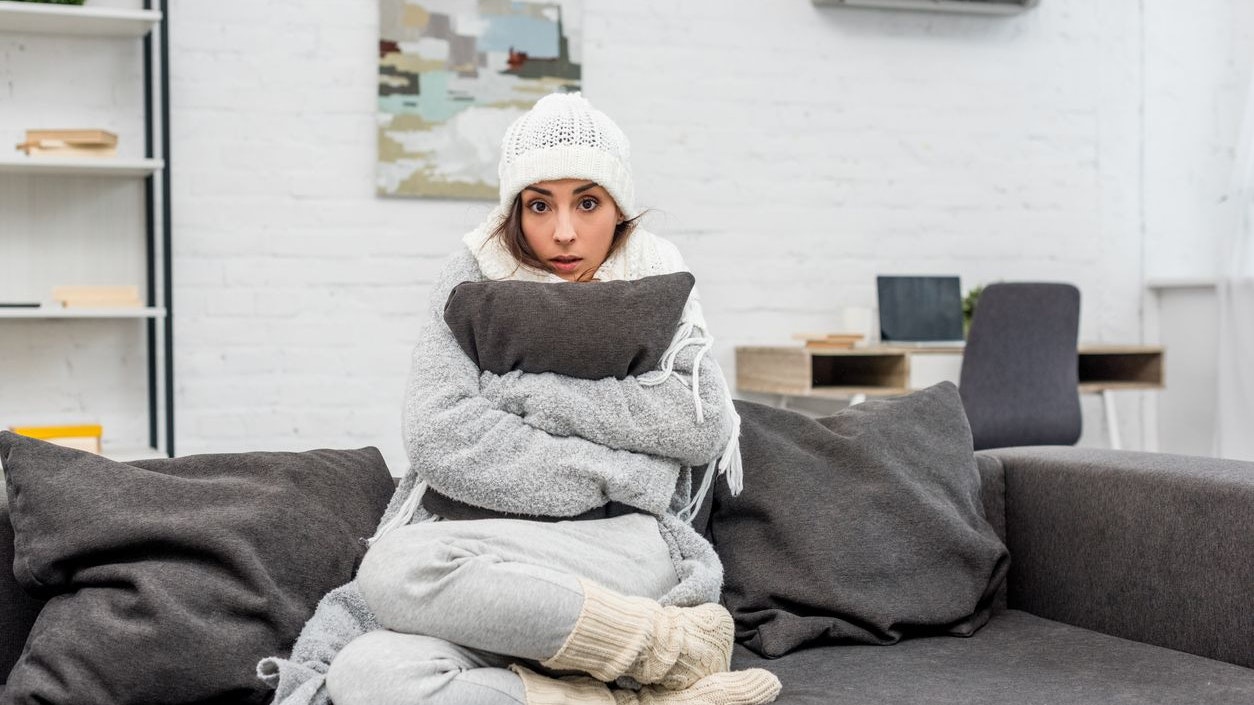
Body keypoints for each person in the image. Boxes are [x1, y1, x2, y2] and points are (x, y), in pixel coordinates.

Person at [257, 93, 781, 705]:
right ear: (514, 210)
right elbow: (440, 435)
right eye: (539, 205)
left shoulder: (655, 275)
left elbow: (697, 424)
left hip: (620, 550)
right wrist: (622, 468)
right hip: (484, 559)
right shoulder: (472, 276)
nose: (563, 231)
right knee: (367, 672)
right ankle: (648, 680)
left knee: (396, 569)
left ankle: (656, 644)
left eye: (588, 203)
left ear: (618, 208)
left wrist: (521, 393)